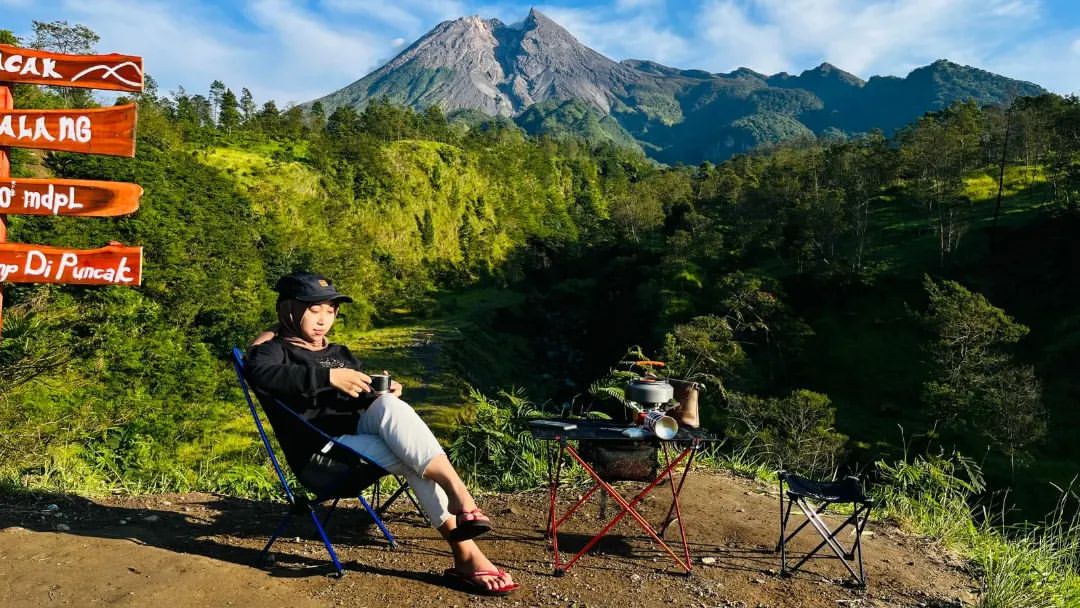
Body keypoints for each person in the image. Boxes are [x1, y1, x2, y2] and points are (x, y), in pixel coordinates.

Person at [245, 271, 518, 596]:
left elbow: (358, 393)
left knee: (391, 407)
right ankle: (465, 538)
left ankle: (462, 520)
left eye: (330, 310)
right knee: (410, 455)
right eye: (313, 309)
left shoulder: (341, 352)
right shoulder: (274, 352)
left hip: (360, 437)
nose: (323, 320)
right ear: (289, 310)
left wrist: (376, 391)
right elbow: (262, 373)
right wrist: (327, 377)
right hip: (324, 455)